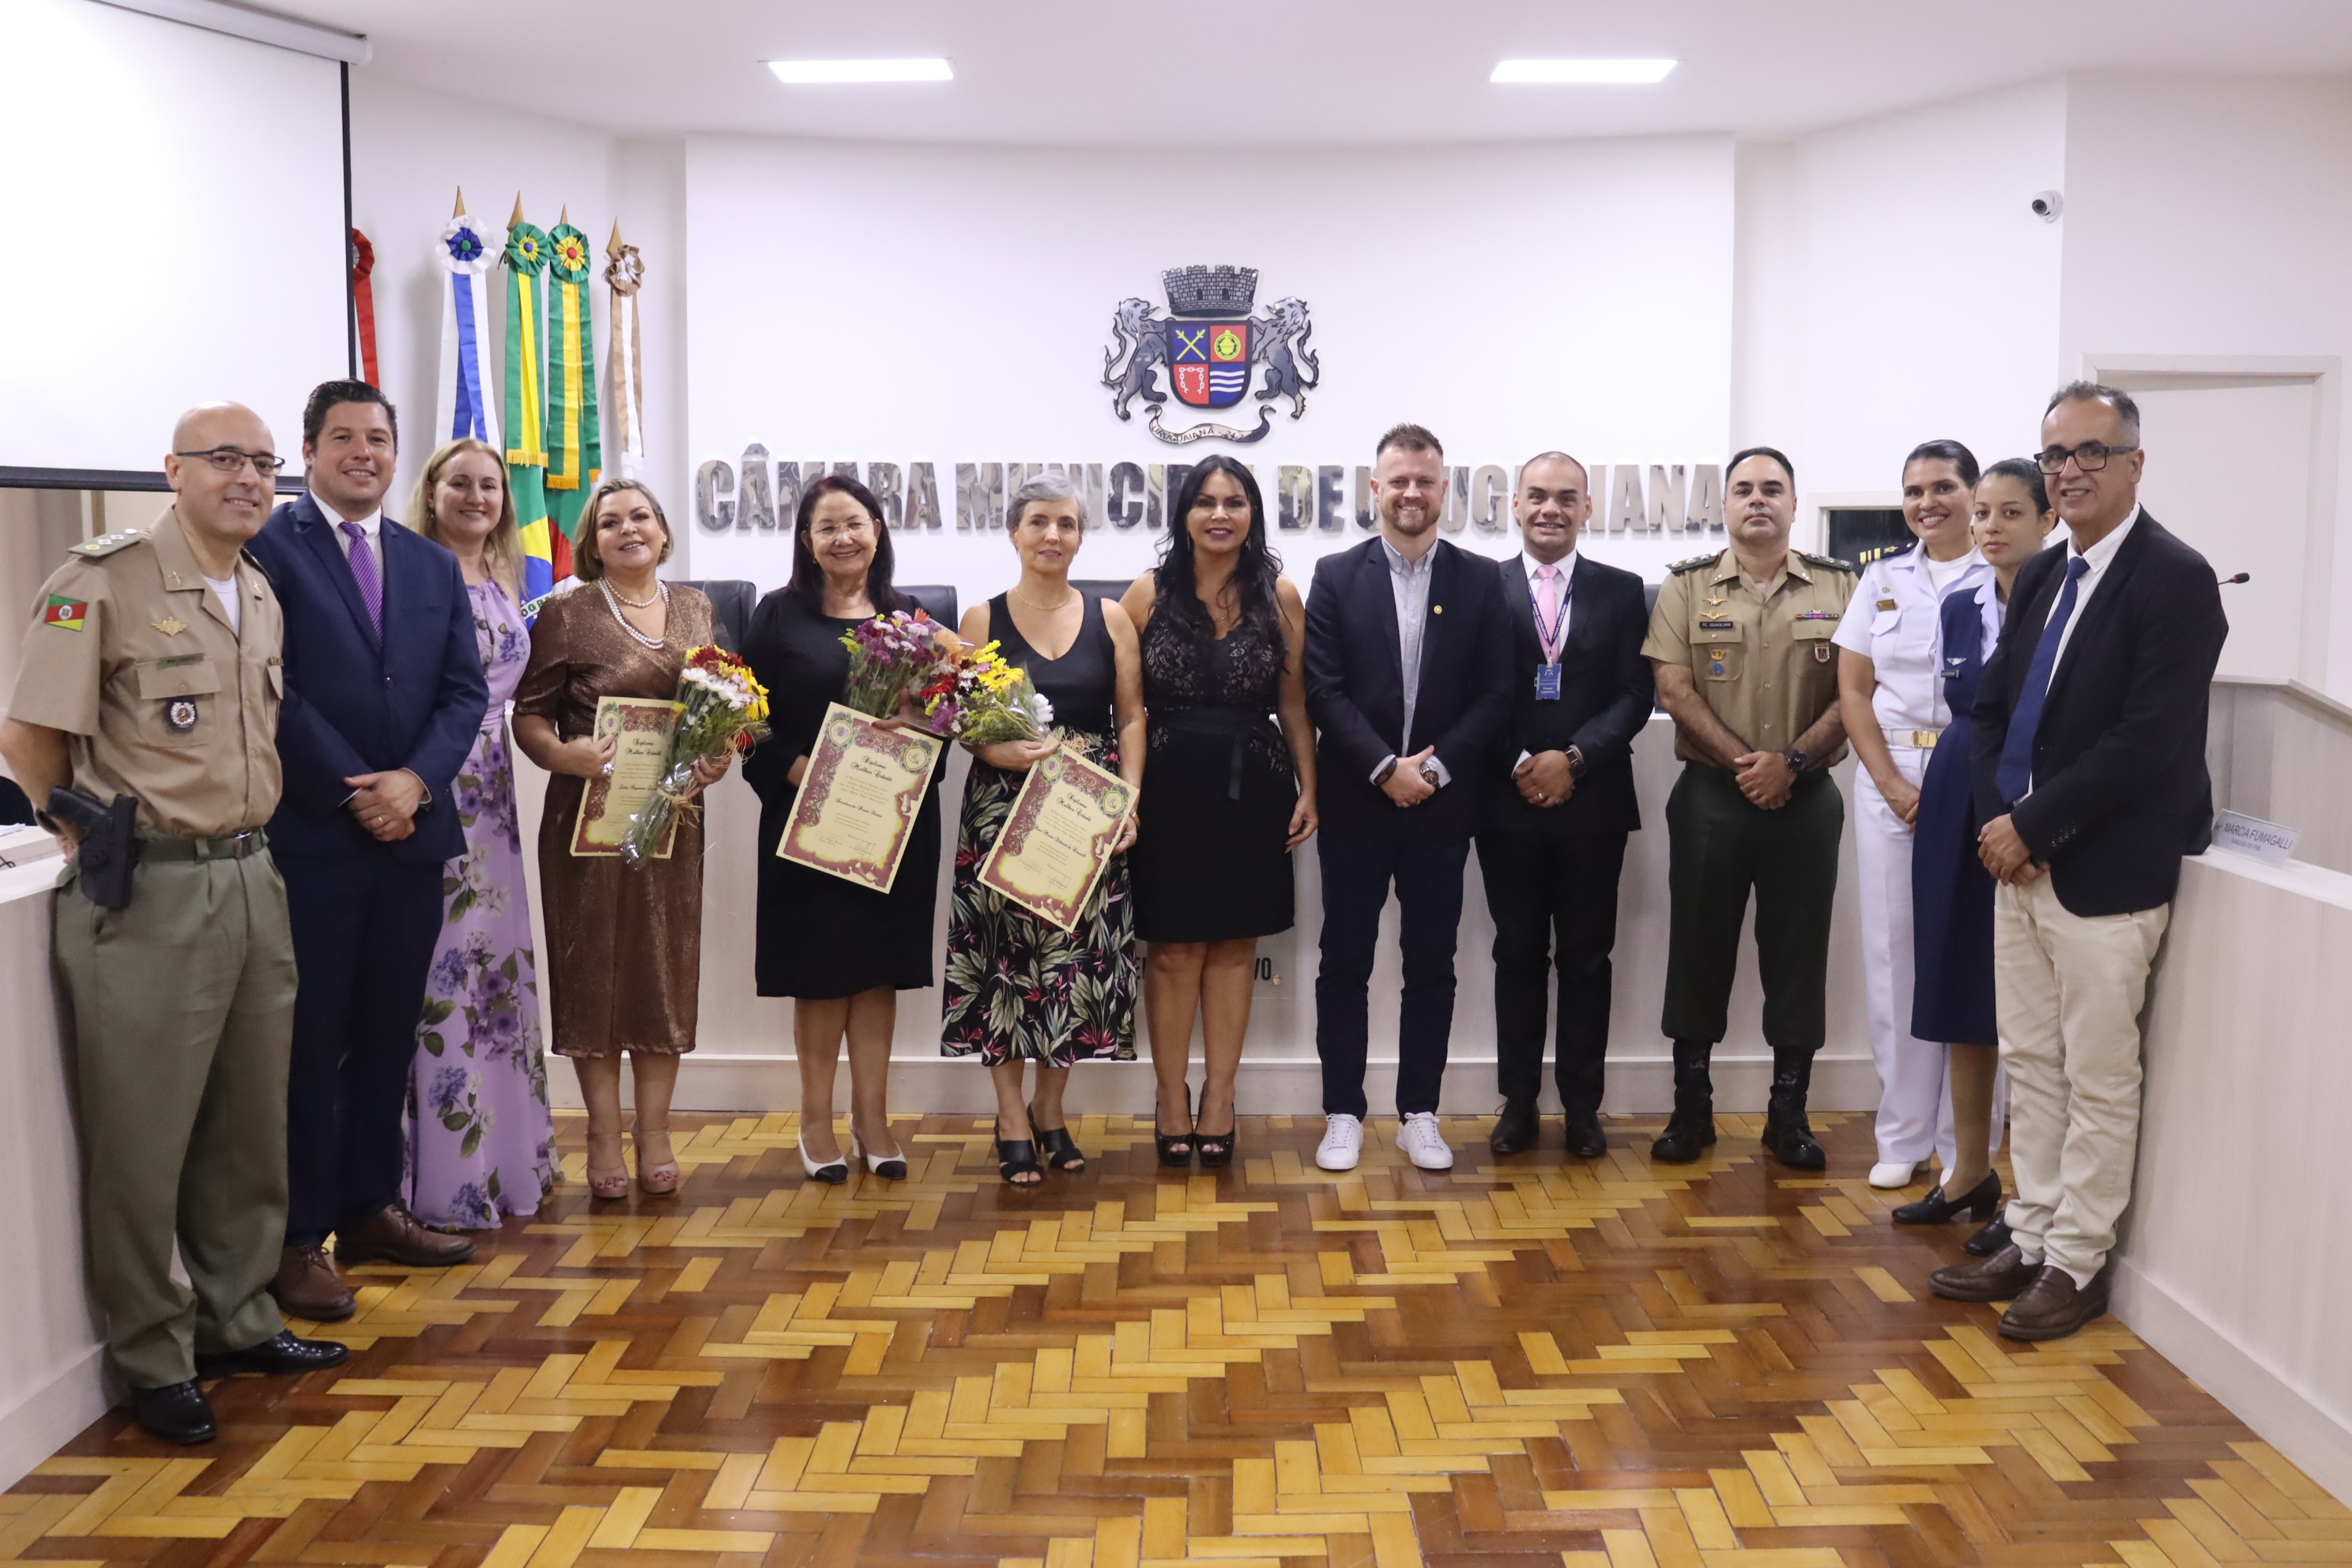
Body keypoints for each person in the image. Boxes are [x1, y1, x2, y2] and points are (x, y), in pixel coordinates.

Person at [1, 403, 347, 1445]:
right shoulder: (98, 580)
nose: (250, 478)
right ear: (174, 472)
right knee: (143, 1139)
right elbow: (29, 732)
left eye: (264, 464)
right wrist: (80, 834)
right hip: (148, 889)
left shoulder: (257, 590)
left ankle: (237, 1317)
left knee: (248, 1126)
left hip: (251, 875)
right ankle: (154, 1352)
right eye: (225, 460)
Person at [1930, 383, 2227, 1340]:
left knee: (2099, 1075)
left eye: (2091, 452)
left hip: (2104, 873)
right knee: (2034, 1065)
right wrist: (1998, 823)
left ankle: (2080, 1261)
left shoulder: (2176, 579)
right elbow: (1989, 714)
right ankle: (2032, 1227)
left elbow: (2148, 739)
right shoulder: (2048, 576)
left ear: (2136, 462)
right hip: (2017, 864)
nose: (2071, 470)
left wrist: (2035, 824)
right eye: (2057, 455)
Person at [248, 381, 488, 1322]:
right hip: (315, 834)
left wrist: (415, 783)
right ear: (308, 453)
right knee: (313, 1042)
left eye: (378, 437)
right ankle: (300, 1237)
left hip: (412, 839)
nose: (362, 452)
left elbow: (463, 693)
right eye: (342, 437)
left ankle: (370, 1207)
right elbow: (274, 689)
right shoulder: (267, 549)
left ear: (396, 453)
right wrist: (361, 788)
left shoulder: (432, 565)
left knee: (390, 1031)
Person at [1303, 424, 1511, 1173]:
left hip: (1442, 807)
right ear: (1376, 488)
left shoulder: (1481, 579)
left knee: (1432, 961)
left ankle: (1420, 1109)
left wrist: (1435, 770)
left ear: (1443, 489)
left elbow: (1494, 692)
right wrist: (1385, 766)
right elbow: (1322, 689)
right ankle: (1342, 1112)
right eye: (1399, 481)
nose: (1412, 493)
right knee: (1344, 960)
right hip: (1359, 803)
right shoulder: (1334, 574)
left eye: (1425, 481)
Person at [514, 479, 729, 1199]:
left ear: (664, 531)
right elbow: (530, 716)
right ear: (594, 541)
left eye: (641, 517)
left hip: (673, 825)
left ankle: (656, 1130)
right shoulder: (566, 612)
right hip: (586, 827)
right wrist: (563, 754)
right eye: (611, 522)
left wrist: (719, 756)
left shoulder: (698, 608)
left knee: (662, 971)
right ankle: (602, 1134)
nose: (628, 530)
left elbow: (726, 710)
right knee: (592, 968)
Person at [1644, 446, 1856, 1170]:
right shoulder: (1687, 588)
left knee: (1799, 955)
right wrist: (1748, 765)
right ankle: (1691, 1110)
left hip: (1807, 801)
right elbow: (1674, 688)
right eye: (1743, 490)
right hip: (1711, 799)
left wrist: (1790, 765)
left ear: (1795, 504)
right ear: (1724, 506)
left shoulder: (1841, 587)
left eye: (1772, 489)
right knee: (1697, 950)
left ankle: (1787, 1113)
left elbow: (1858, 693)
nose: (1757, 500)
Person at [942, 474, 1146, 1184]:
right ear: (1014, 533)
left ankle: (1052, 1111)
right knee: (1004, 968)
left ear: (1081, 536)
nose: (1052, 535)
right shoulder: (979, 619)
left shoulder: (1112, 617)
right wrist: (990, 749)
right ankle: (1009, 1116)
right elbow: (964, 724)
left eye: (1065, 523)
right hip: (1002, 815)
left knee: (1072, 972)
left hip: (1087, 816)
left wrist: (1131, 800)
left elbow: (1133, 717)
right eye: (1038, 522)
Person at [742, 475, 938, 1185]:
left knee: (878, 976)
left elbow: (944, 720)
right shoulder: (778, 617)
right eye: (827, 528)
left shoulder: (913, 619)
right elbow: (745, 718)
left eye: (854, 523)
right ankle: (816, 1123)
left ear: (878, 530)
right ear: (808, 543)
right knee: (822, 979)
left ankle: (874, 1121)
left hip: (889, 828)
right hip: (808, 823)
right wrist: (797, 770)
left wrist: (920, 724)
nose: (843, 537)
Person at [1122, 458, 1317, 1168]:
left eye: (1234, 501)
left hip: (1252, 787)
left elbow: (1295, 707)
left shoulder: (1281, 594)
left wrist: (1309, 788)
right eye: (1204, 502)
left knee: (1236, 950)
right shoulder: (1146, 594)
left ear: (1252, 513)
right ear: (1184, 513)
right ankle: (1170, 1097)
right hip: (1168, 789)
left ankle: (1221, 1097)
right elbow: (1128, 710)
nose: (1219, 514)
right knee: (1172, 953)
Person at [1897, 458, 2055, 1251]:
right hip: (1959, 782)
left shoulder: (2067, 601)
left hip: (2032, 789)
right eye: (1984, 512)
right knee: (1959, 976)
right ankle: (1968, 1169)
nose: (1992, 527)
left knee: (2028, 997)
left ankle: (2031, 1192)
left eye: (2012, 513)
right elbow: (1951, 703)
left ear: (2049, 520)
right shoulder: (1959, 603)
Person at [1476, 453, 1652, 1158]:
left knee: (1587, 959)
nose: (1551, 509)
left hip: (1593, 801)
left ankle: (1583, 1107)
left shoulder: (1622, 590)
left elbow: (1636, 695)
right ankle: (1518, 1103)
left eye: (1566, 499)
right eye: (1538, 497)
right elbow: (1470, 692)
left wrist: (1572, 759)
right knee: (1516, 954)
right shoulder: (1481, 588)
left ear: (1587, 510)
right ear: (1515, 506)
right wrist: (1522, 760)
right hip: (1505, 800)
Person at [402, 438, 557, 1228]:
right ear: (431, 494)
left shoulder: (501, 579)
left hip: (493, 792)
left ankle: (504, 1161)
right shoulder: (408, 575)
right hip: (436, 783)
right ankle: (443, 1178)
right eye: (458, 483)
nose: (475, 496)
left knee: (493, 970)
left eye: (489, 485)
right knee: (443, 971)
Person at [1833, 440, 1995, 1190]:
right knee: (1895, 954)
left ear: (1974, 492)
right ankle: (1901, 1133)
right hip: (1891, 771)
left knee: (1966, 950)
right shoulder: (1882, 578)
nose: (1928, 503)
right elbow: (1854, 692)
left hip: (1974, 776)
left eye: (1944, 487)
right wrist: (1892, 782)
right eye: (1914, 491)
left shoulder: (2006, 574)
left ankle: (1965, 1140)